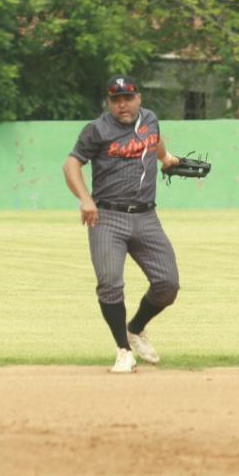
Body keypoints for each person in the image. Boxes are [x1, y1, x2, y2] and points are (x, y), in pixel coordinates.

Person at [63, 74, 185, 374]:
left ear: (138, 98)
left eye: (128, 98)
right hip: (107, 217)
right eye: (116, 99)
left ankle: (137, 327)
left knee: (168, 285)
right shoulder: (97, 129)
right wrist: (85, 199)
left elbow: (153, 140)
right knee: (110, 283)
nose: (122, 104)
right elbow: (71, 164)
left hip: (146, 216)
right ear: (109, 102)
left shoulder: (150, 120)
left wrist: (166, 158)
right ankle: (123, 350)